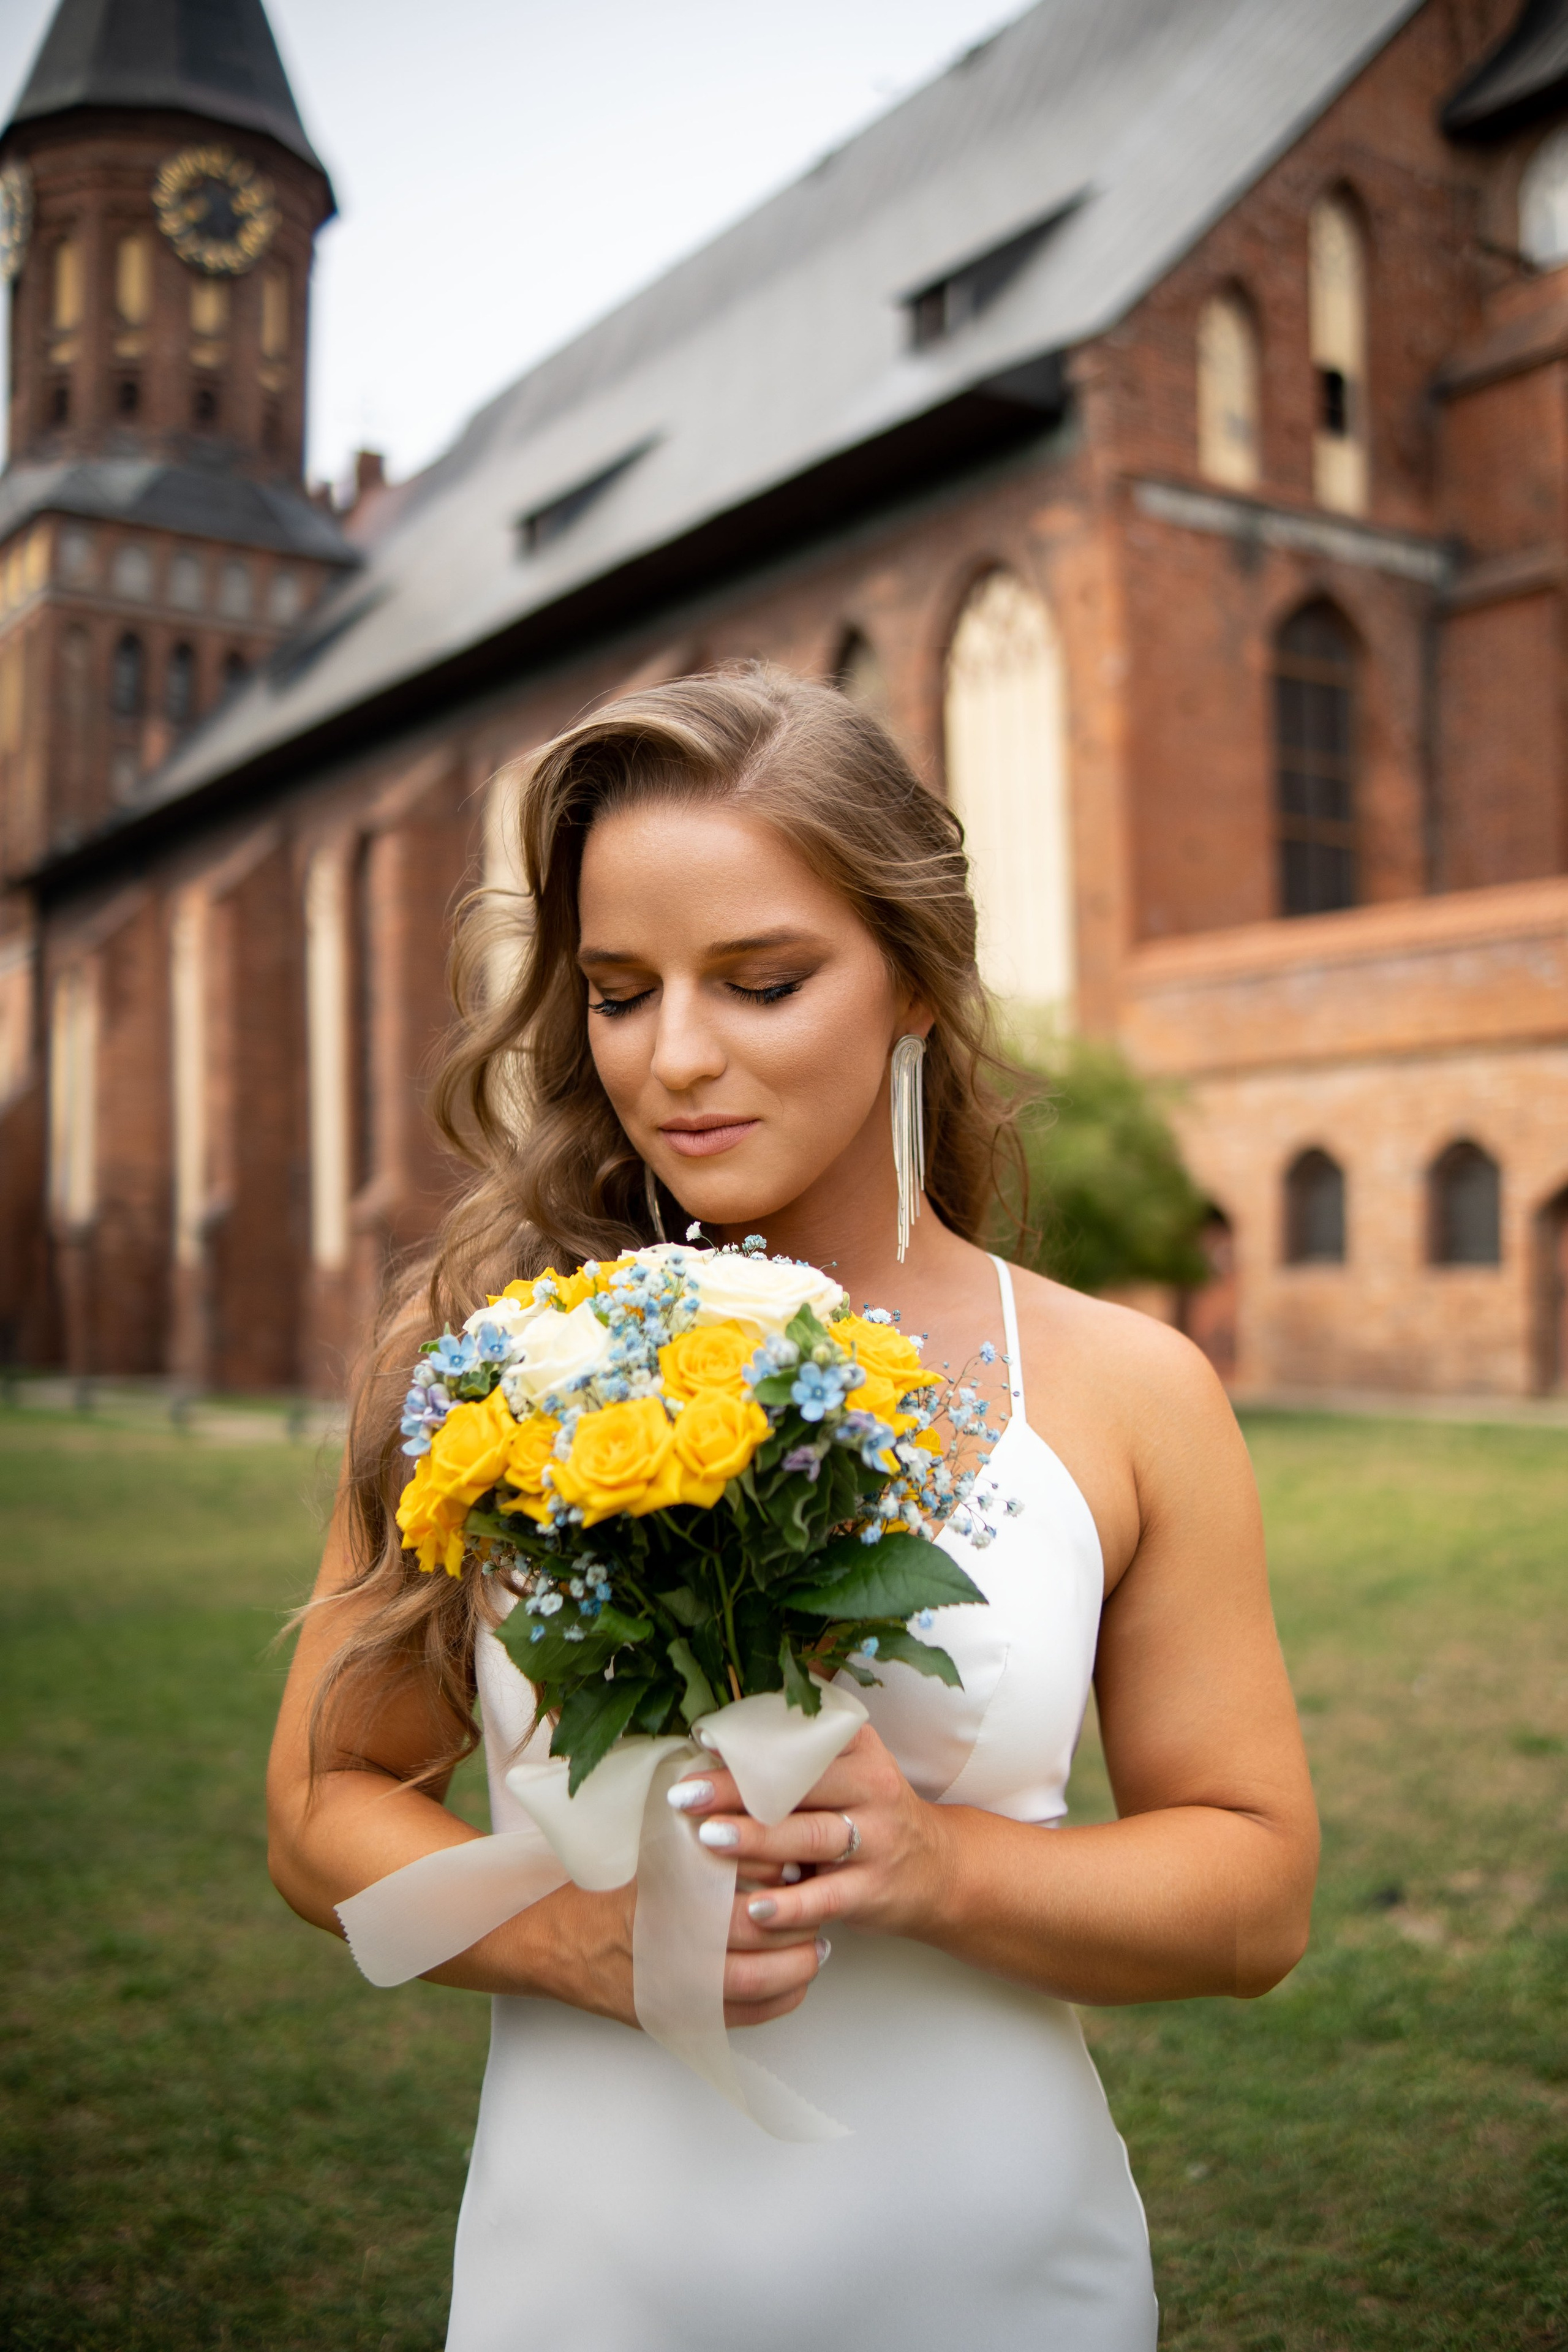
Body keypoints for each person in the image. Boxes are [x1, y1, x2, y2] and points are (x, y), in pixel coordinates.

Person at [267, 666, 1318, 2351]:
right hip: (584, 2276)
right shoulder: (473, 1365)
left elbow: (1258, 1900)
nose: (676, 1059)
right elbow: (323, 1814)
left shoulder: (1132, 1392)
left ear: (911, 979)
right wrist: (567, 1941)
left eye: (761, 982)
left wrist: (935, 1866)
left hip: (1000, 2275)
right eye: (620, 993)